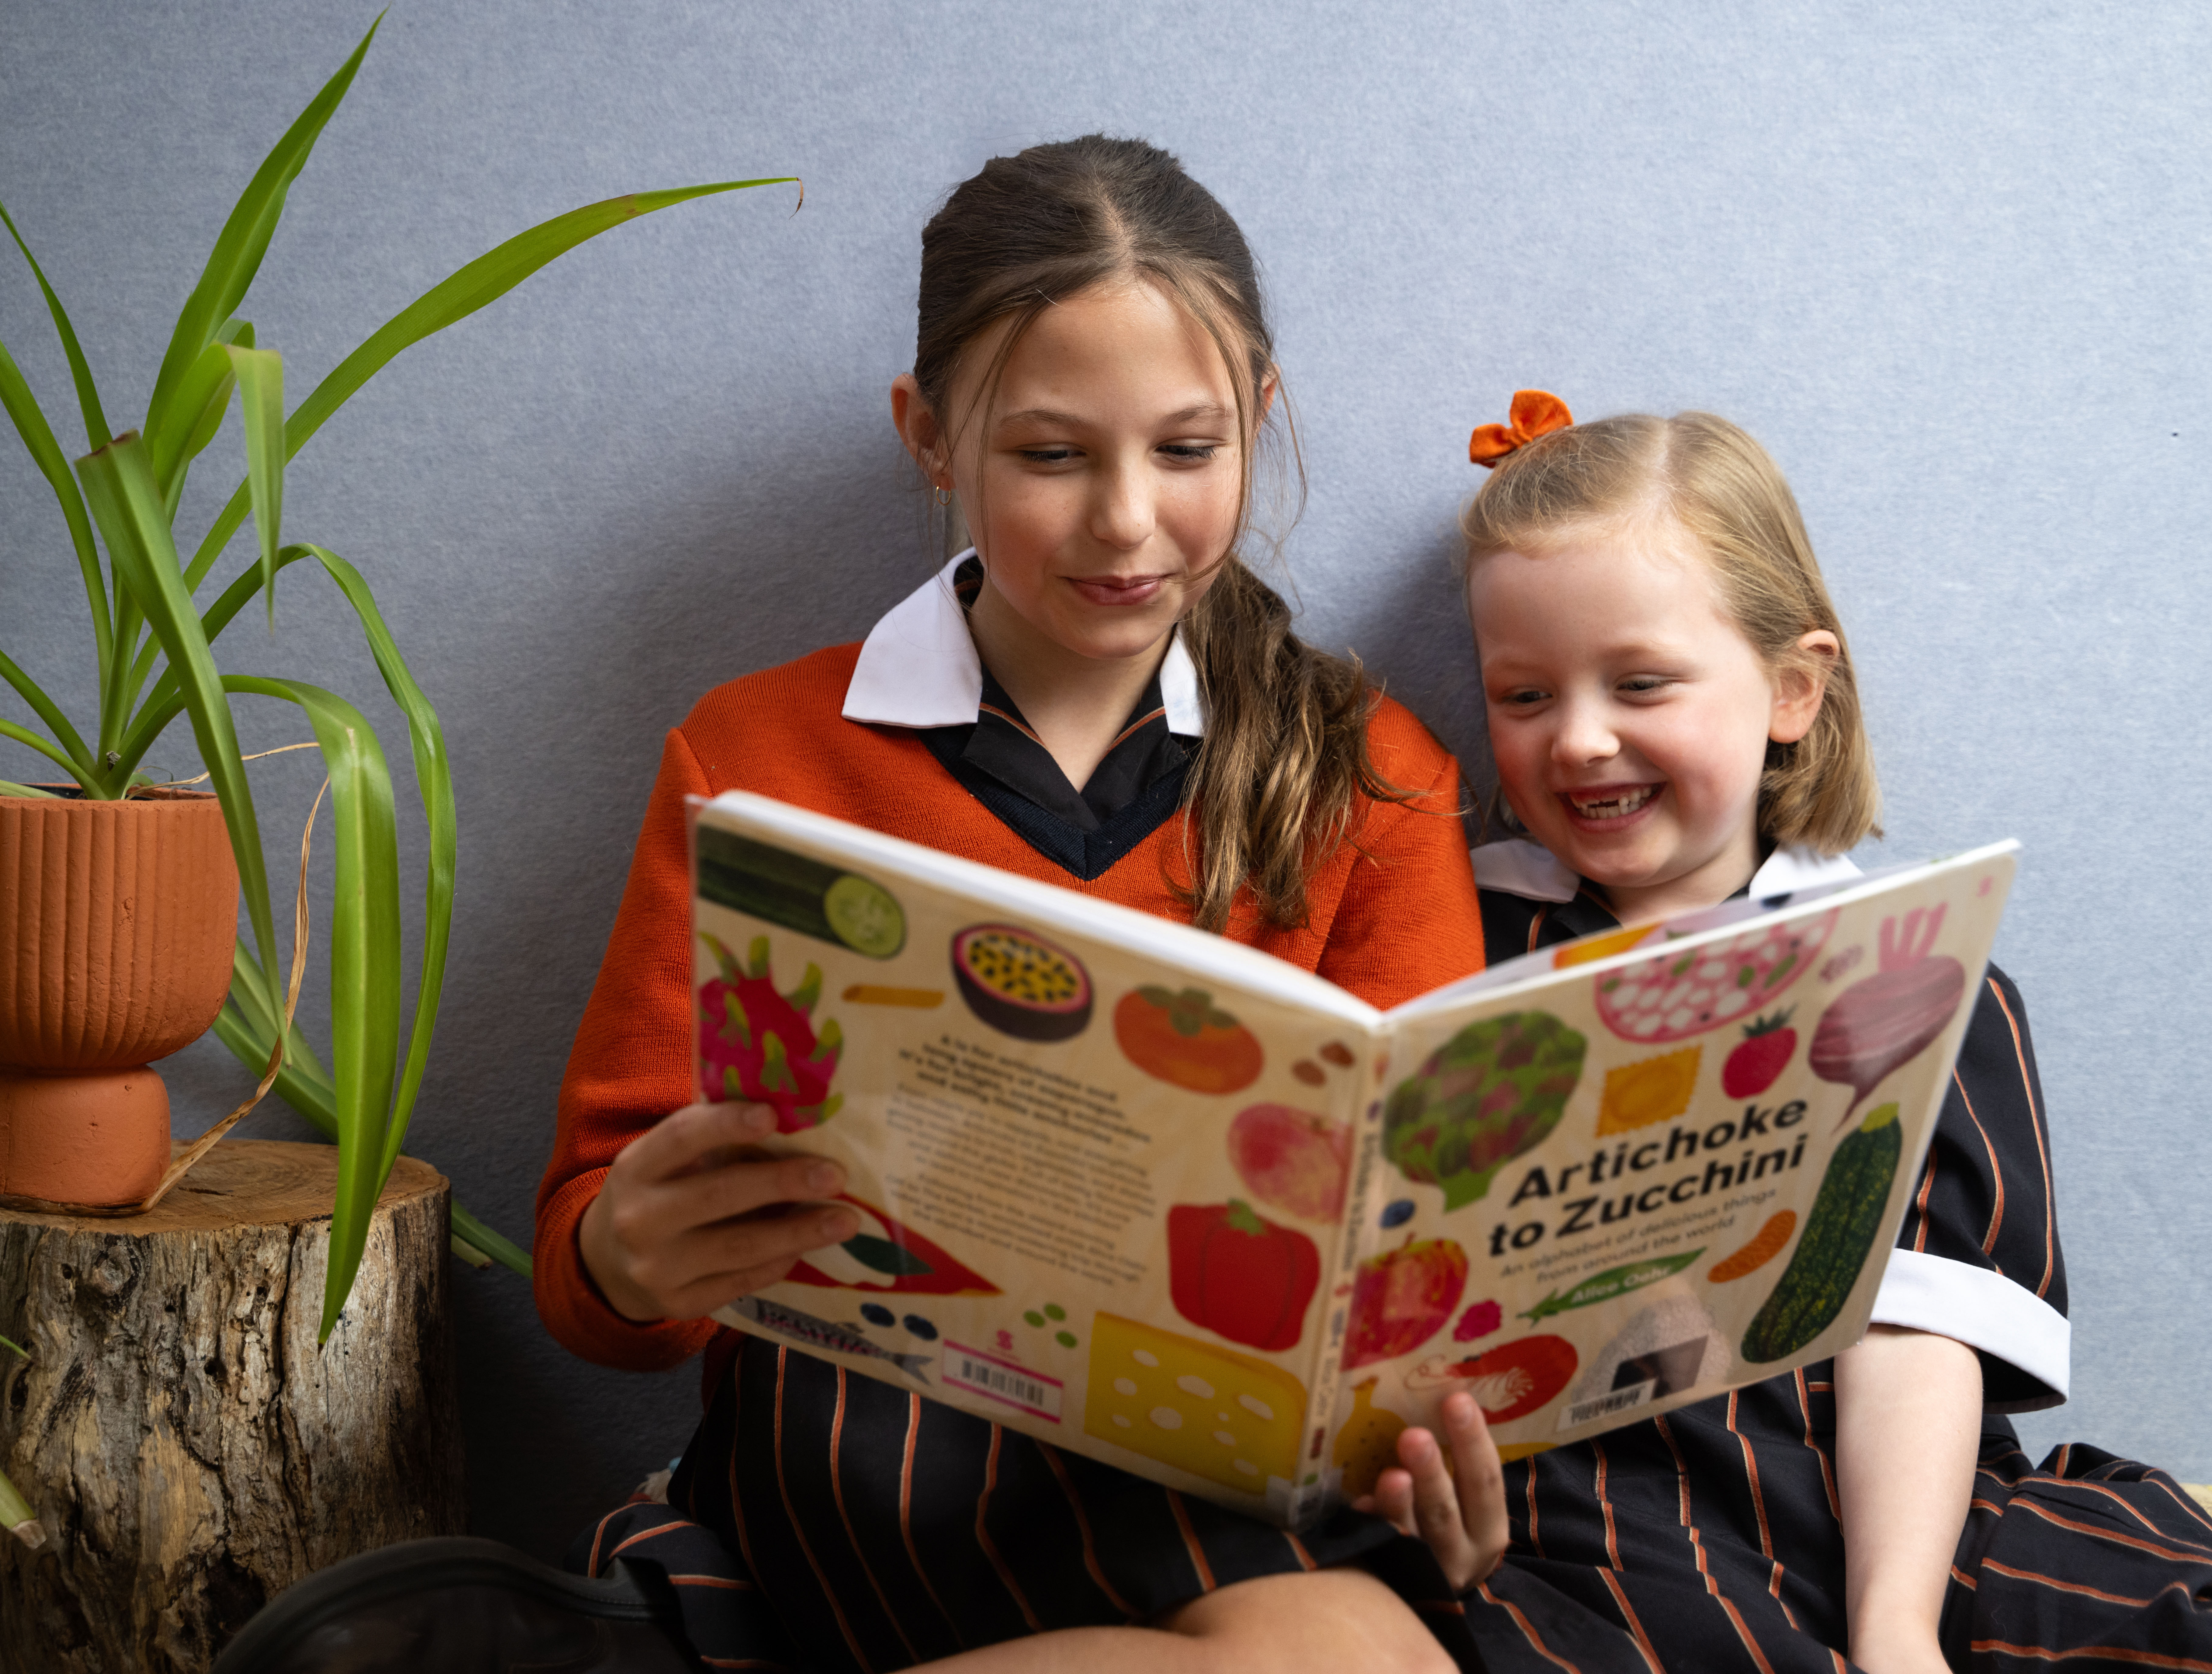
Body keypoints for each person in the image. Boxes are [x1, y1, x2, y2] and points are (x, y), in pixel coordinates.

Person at [533, 137, 1514, 1674]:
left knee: (1352, 1648)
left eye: (1187, 451)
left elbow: (1423, 1242)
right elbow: (595, 1270)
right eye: (1053, 456)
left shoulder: (1371, 773)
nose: (1128, 523)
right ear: (933, 436)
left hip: (1218, 1468)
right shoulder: (757, 757)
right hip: (873, 1446)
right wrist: (628, 1260)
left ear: (1258, 417)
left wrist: (1439, 1436)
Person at [1421, 392, 2212, 1673]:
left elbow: (1917, 1334)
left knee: (2131, 1628)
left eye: (1641, 683)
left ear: (1792, 686)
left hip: (1889, 1488)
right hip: (1592, 1497)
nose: (1577, 737)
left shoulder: (1915, 970)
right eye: (1523, 693)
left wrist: (1898, 1626)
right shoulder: (1451, 940)